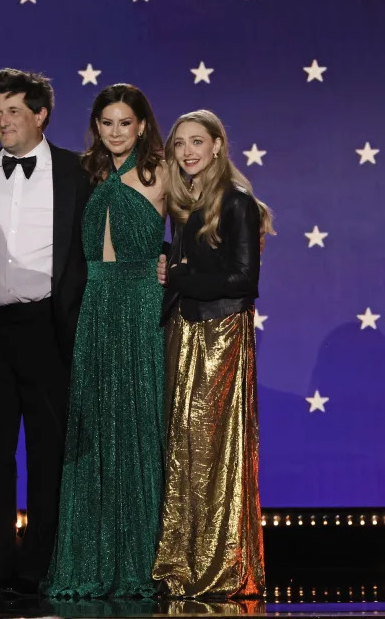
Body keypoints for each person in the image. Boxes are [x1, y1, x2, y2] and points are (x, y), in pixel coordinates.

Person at [0, 69, 92, 594]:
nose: (2, 121)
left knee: (47, 451)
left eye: (14, 111)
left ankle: (37, 566)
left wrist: (164, 257)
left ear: (41, 115)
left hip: (47, 326)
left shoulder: (79, 172)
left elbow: (117, 231)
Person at [44, 84, 166, 597]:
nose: (115, 132)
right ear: (96, 126)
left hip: (140, 307)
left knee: (139, 427)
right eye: (106, 123)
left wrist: (171, 263)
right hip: (95, 309)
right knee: (96, 431)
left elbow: (203, 219)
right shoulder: (87, 172)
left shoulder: (161, 171)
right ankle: (90, 560)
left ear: (141, 126)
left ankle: (143, 560)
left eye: (124, 123)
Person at [152, 109, 272, 598]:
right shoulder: (185, 204)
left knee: (213, 450)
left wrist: (178, 275)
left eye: (197, 141)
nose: (187, 152)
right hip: (185, 333)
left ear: (219, 145)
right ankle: (180, 563)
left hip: (221, 334)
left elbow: (246, 281)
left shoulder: (236, 201)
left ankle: (220, 566)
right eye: (179, 143)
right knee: (182, 450)